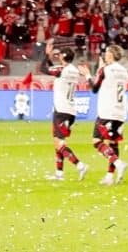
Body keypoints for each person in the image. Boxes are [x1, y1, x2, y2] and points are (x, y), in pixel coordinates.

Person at [44, 41, 89, 181]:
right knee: (58, 142)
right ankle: (59, 173)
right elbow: (53, 70)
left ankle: (80, 165)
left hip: (61, 110)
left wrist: (46, 55)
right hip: (70, 110)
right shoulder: (73, 70)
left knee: (59, 143)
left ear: (63, 57)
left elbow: (44, 69)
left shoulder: (62, 70)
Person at [90, 44, 128, 186]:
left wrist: (90, 74)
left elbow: (94, 88)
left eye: (106, 52)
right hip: (120, 111)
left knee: (96, 141)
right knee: (113, 144)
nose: (105, 54)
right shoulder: (124, 71)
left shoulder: (105, 70)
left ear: (111, 54)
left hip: (107, 111)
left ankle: (119, 163)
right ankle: (109, 176)